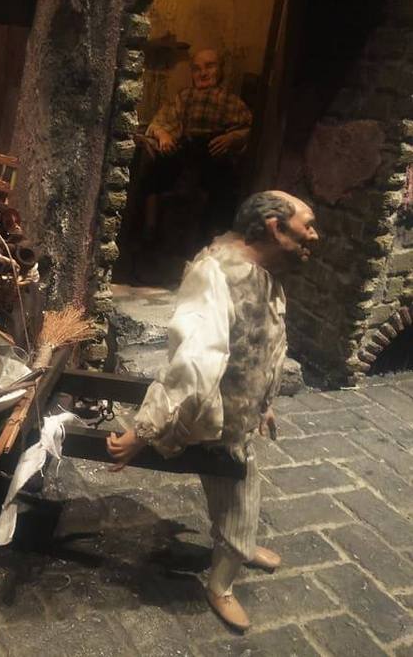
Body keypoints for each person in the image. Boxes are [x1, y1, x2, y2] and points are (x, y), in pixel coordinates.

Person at [107, 190, 319, 632]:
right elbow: (193, 363)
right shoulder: (215, 274)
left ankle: (240, 543)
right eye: (307, 225)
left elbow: (263, 344)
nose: (314, 235)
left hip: (239, 416)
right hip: (214, 421)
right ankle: (222, 580)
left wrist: (263, 403)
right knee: (240, 498)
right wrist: (142, 432)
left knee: (237, 487)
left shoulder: (263, 274)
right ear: (275, 227)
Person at [140, 49, 253, 256]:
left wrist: (233, 138)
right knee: (154, 173)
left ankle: (212, 241)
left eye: (209, 66)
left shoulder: (231, 102)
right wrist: (163, 134)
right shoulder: (183, 97)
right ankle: (150, 231)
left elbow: (249, 130)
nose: (203, 73)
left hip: (214, 153)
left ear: (220, 70)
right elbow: (159, 123)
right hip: (186, 150)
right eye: (197, 68)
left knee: (224, 185)